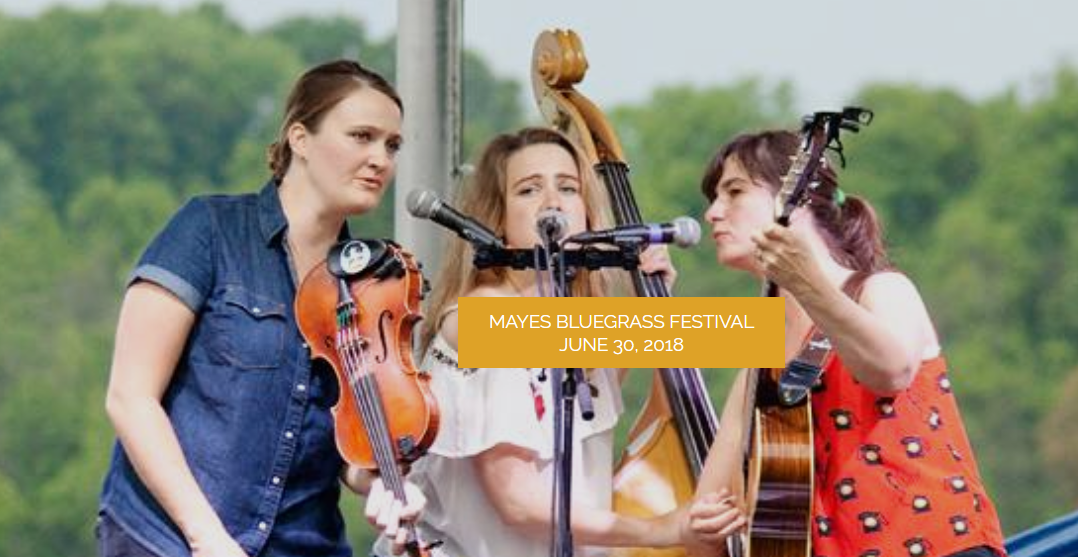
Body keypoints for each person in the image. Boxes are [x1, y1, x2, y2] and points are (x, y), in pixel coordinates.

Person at [97, 59, 425, 557]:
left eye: (392, 144)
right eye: (361, 136)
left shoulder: (372, 287)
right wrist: (206, 537)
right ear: (300, 138)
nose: (380, 157)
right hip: (166, 541)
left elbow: (349, 452)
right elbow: (129, 397)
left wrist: (383, 483)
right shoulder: (208, 230)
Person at [373, 126, 699, 557]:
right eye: (528, 190)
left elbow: (613, 411)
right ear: (497, 219)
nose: (553, 202)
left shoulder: (584, 325)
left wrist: (657, 307)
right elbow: (518, 502)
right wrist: (659, 531)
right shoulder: (479, 315)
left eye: (569, 187)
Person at [682, 129, 1007, 557]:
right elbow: (705, 518)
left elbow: (890, 371)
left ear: (792, 201)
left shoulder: (881, 289)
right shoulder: (758, 357)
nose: (712, 214)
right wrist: (703, 525)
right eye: (712, 199)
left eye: (734, 192)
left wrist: (808, 284)